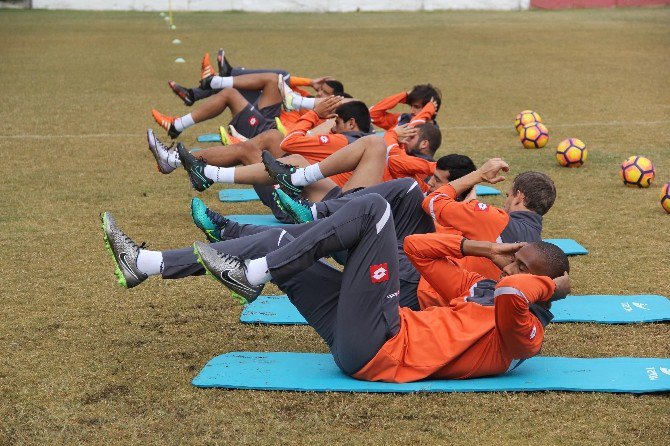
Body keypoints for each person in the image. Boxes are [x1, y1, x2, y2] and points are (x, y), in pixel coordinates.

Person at [101, 191, 570, 383]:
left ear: (540, 285)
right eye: (513, 263)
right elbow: (419, 248)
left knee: (373, 210)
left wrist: (550, 284)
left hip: (382, 346)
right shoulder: (477, 289)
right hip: (368, 335)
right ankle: (146, 262)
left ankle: (254, 275)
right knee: (287, 240)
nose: (509, 271)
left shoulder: (525, 334)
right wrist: (484, 249)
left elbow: (514, 296)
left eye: (519, 264)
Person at [168, 50, 346, 107]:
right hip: (273, 105)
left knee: (279, 75)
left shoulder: (316, 110)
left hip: (269, 117)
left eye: (324, 92)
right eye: (320, 89)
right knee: (279, 76)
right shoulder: (307, 98)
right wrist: (310, 82)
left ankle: (227, 74)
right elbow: (286, 82)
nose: (319, 92)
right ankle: (196, 93)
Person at [369, 84, 442, 130]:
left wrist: (426, 112)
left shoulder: (432, 131)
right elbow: (372, 115)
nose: (412, 111)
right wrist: (404, 96)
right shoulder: (404, 118)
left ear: (431, 109)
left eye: (416, 107)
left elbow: (413, 128)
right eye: (411, 106)